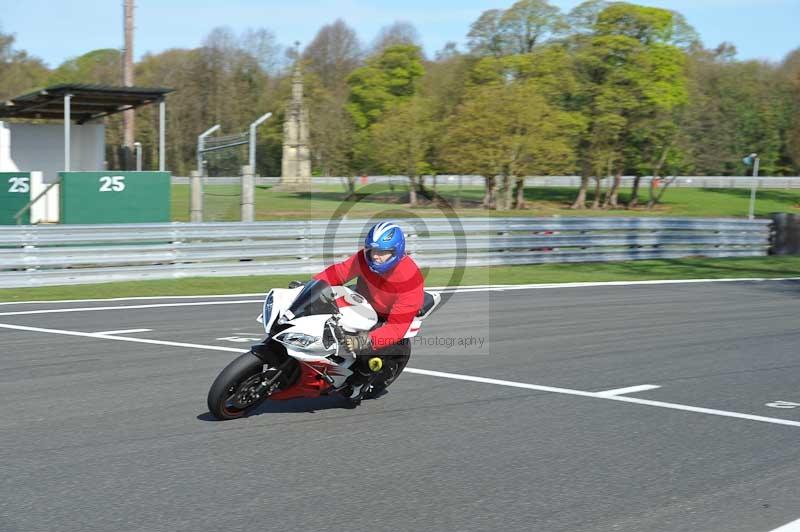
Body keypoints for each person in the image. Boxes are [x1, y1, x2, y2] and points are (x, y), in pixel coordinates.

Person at [311, 221, 424, 403]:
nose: (376, 257)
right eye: (372, 250)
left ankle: (358, 384)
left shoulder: (411, 280)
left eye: (382, 252)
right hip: (360, 305)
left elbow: (396, 328)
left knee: (367, 352)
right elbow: (338, 273)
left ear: (397, 252)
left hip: (387, 319)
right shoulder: (363, 259)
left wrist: (363, 341)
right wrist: (311, 287)